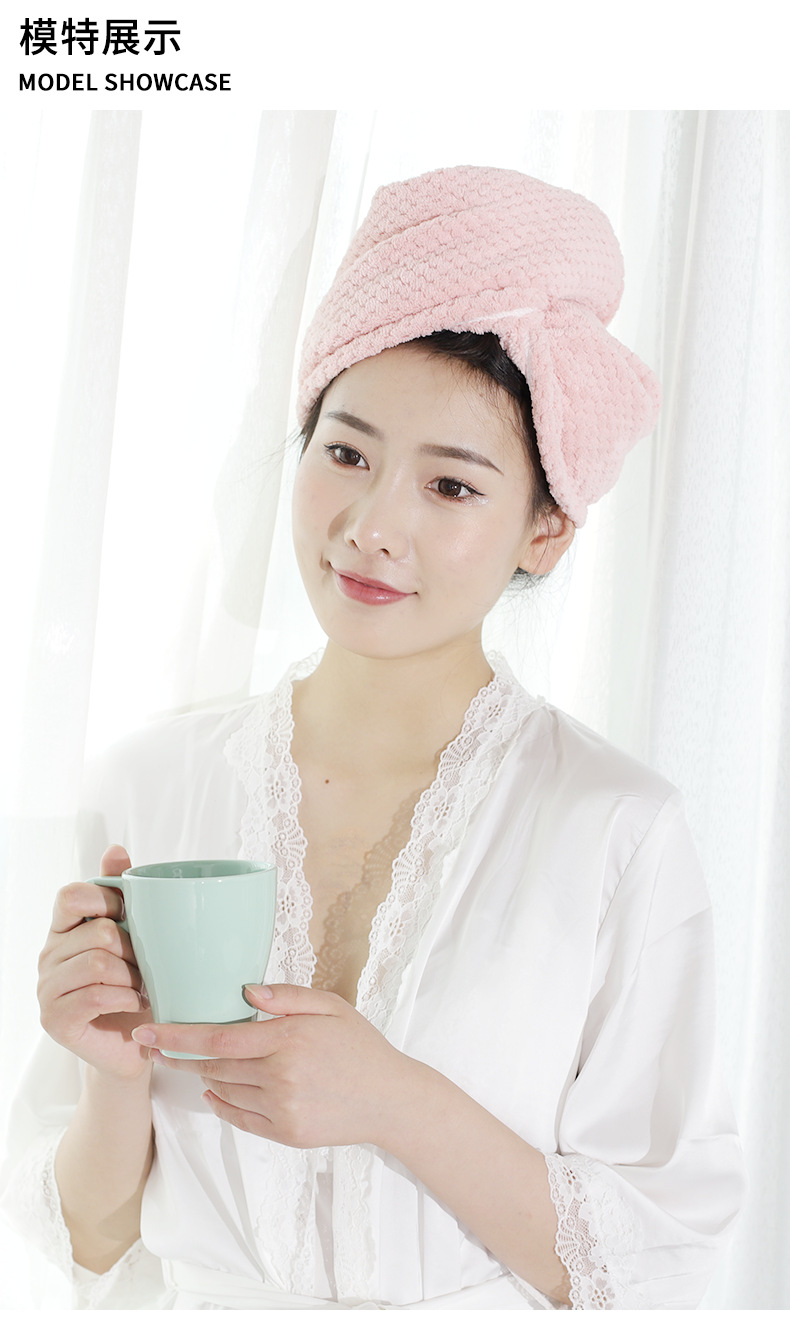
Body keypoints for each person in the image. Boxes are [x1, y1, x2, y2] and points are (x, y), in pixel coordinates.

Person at [1, 165, 746, 1310]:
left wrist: (397, 1100)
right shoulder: (149, 785)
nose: (369, 527)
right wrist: (111, 1067)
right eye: (346, 453)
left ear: (544, 530)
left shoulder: (614, 826)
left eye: (450, 487)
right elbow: (93, 1242)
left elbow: (653, 1261)